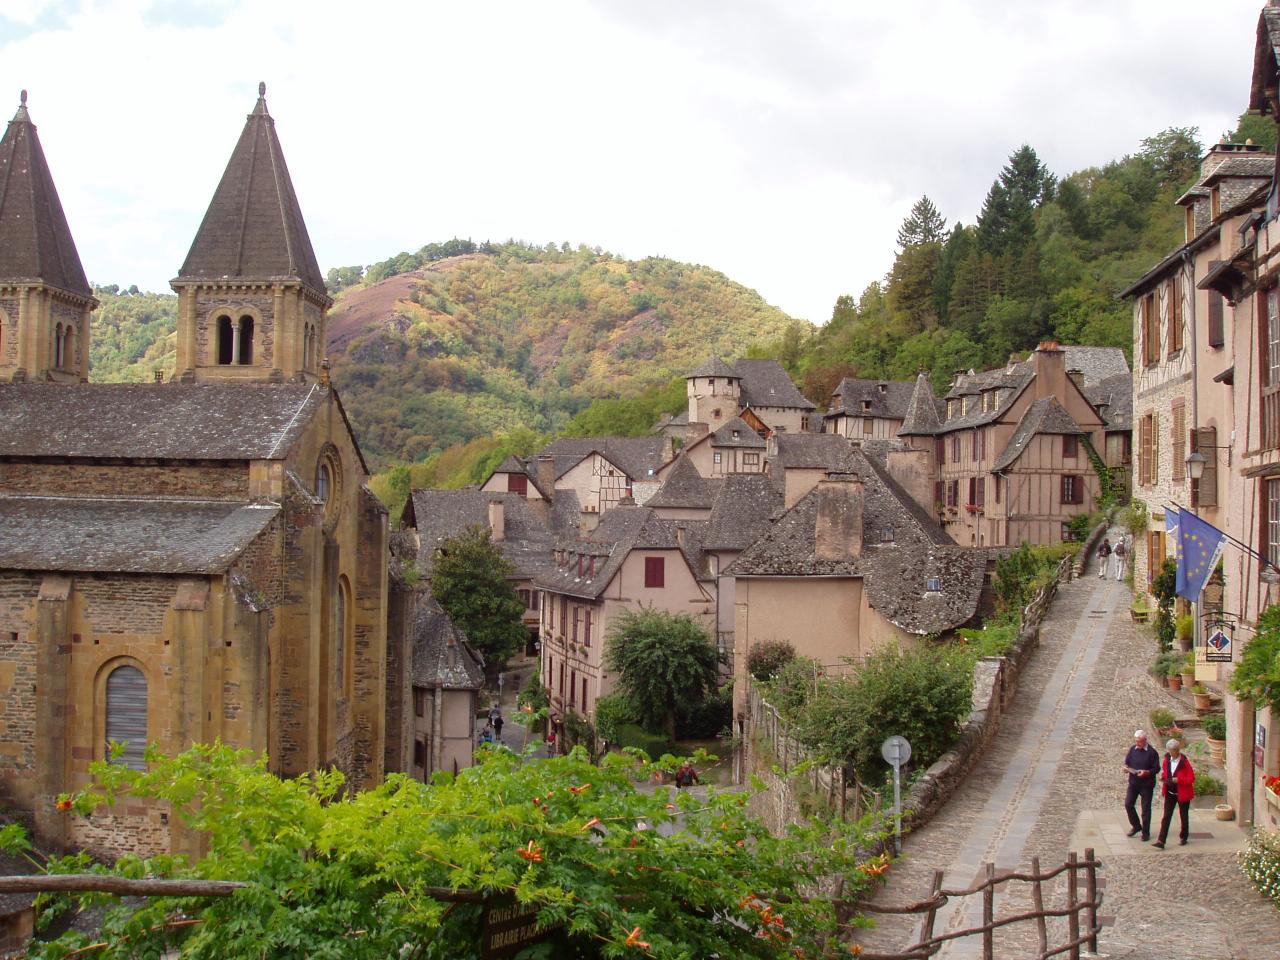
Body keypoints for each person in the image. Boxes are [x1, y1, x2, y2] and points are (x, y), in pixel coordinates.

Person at [1154, 737, 1195, 849]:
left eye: (1172, 751)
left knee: (1183, 816)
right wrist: (1164, 778)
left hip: (1182, 793)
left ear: (1177, 750)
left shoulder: (1184, 763)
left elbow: (1191, 778)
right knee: (1166, 816)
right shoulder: (1167, 760)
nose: (1170, 753)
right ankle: (1161, 840)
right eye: (1169, 751)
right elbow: (1166, 772)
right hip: (1170, 792)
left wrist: (1179, 780)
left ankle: (1184, 836)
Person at [1122, 729, 1160, 840]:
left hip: (1146, 785)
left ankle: (1146, 832)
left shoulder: (1152, 753)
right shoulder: (1133, 750)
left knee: (1146, 809)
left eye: (1139, 741)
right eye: (1136, 741)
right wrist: (1126, 768)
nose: (1137, 743)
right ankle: (1136, 826)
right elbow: (1127, 762)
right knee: (1128, 804)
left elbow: (1156, 768)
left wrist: (1147, 772)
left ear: (1145, 740)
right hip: (1133, 783)